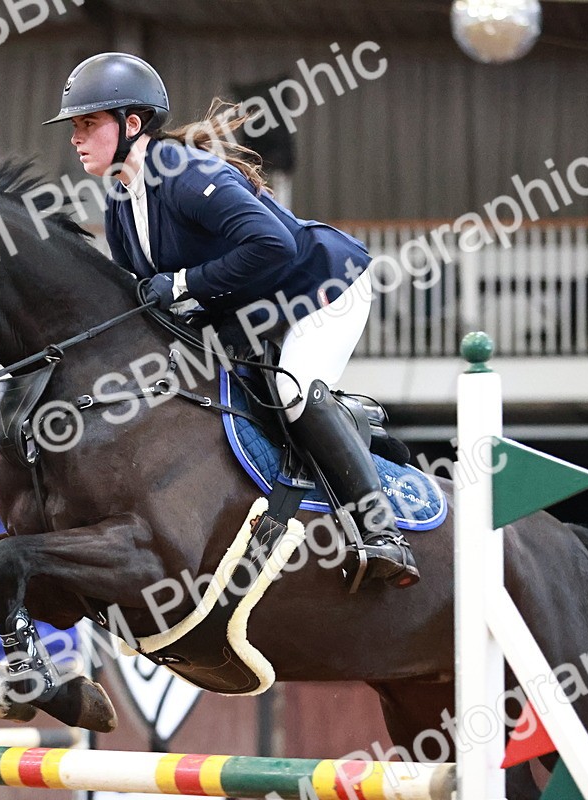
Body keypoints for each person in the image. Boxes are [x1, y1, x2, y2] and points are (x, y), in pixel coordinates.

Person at [44, 53, 419, 589]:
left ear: (132, 125)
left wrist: (178, 286)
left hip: (320, 287)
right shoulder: (121, 202)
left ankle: (383, 532)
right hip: (248, 304)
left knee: (292, 392)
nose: (76, 138)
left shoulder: (186, 176)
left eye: (88, 124)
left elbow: (274, 243)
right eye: (74, 127)